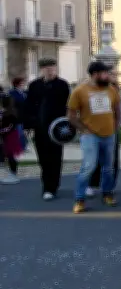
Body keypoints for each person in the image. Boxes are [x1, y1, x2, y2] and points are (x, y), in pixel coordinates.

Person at [68, 61, 121, 213]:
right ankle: (79, 199)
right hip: (90, 136)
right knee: (88, 166)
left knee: (108, 168)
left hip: (109, 135)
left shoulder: (111, 89)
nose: (108, 76)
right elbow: (71, 115)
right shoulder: (79, 91)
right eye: (105, 73)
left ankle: (107, 194)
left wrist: (116, 127)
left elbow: (117, 110)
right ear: (95, 74)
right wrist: (83, 129)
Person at [24, 58, 71, 200]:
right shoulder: (34, 86)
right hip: (39, 128)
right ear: (41, 69)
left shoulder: (62, 85)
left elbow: (68, 106)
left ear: (56, 68)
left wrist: (67, 125)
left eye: (52, 67)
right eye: (46, 68)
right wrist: (28, 126)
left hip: (56, 128)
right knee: (43, 158)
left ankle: (51, 187)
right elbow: (28, 106)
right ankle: (46, 183)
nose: (49, 70)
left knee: (55, 158)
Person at [88, 70, 121, 196]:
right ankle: (92, 183)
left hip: (111, 127)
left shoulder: (113, 90)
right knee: (94, 156)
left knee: (111, 158)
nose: (111, 77)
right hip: (95, 126)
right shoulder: (93, 88)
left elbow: (117, 110)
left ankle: (109, 185)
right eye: (108, 74)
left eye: (113, 75)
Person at [0, 93, 23, 184]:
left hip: (10, 136)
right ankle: (12, 173)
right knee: (10, 155)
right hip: (9, 135)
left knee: (11, 155)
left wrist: (2, 130)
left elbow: (9, 127)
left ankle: (13, 175)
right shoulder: (7, 112)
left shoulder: (10, 113)